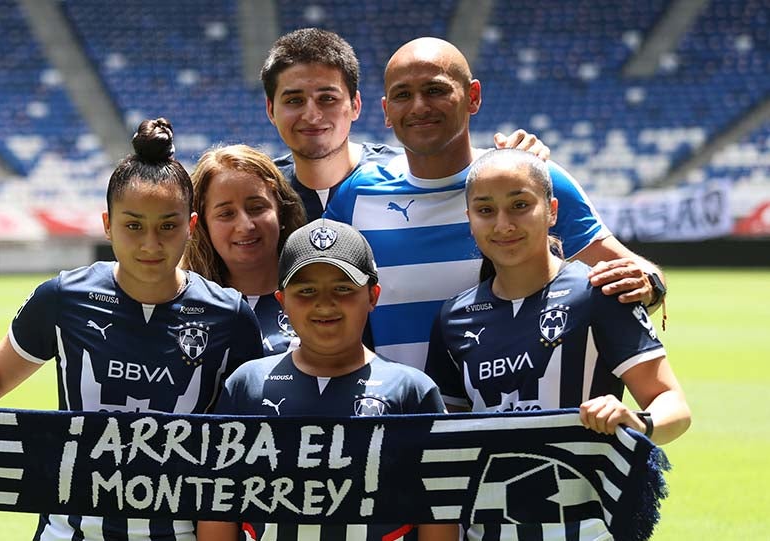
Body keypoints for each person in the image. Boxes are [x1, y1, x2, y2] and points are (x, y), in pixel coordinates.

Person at [0, 118, 264, 541]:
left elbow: (260, 433)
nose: (150, 244)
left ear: (191, 226)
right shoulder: (64, 297)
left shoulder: (228, 316)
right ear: (108, 223)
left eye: (168, 225)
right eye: (134, 225)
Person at [325, 37, 668, 369]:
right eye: (403, 95)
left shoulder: (528, 182)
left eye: (436, 90)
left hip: (511, 419)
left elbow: (640, 274)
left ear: (472, 96)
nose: (419, 106)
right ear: (386, 111)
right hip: (400, 419)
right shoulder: (356, 195)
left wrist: (648, 286)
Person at [425, 148, 690, 540]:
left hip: (588, 529)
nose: (503, 224)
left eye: (519, 205)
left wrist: (636, 421)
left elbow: (674, 406)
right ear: (469, 220)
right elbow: (448, 448)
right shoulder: (453, 316)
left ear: (551, 210)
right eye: (485, 210)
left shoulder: (599, 292)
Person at [197, 218, 458, 541]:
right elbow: (218, 508)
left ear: (373, 295)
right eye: (306, 290)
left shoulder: (412, 391)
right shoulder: (247, 385)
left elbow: (439, 513)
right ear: (282, 302)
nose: (324, 303)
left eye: (343, 288)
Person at [262, 27, 549, 221]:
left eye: (327, 98)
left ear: (356, 105)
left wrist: (520, 164)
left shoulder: (409, 175)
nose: (312, 115)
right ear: (271, 110)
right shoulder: (259, 194)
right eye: (294, 101)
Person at [182, 144, 306, 355]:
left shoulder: (317, 299)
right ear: (202, 224)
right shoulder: (181, 304)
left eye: (257, 208)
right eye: (226, 214)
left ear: (281, 211)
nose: (246, 226)